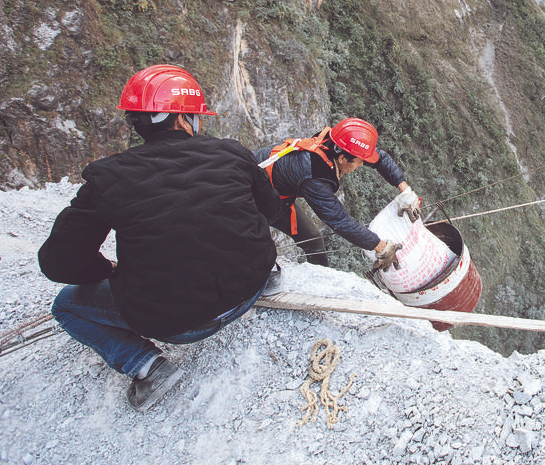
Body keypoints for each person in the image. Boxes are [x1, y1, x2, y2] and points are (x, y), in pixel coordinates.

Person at [38, 64, 285, 412]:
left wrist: (108, 270)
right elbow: (270, 211)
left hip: (175, 324)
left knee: (66, 306)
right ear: (184, 120)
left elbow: (57, 261)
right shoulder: (231, 152)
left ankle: (147, 366)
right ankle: (271, 273)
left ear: (136, 122)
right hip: (251, 288)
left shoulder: (107, 177)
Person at [253, 117, 421, 271]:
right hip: (255, 196)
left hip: (270, 178)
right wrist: (381, 247)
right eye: (359, 162)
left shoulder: (337, 141)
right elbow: (340, 221)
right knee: (259, 254)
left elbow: (380, 159)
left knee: (313, 240)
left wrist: (406, 191)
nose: (362, 165)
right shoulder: (315, 177)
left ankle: (320, 281)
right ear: (342, 159)